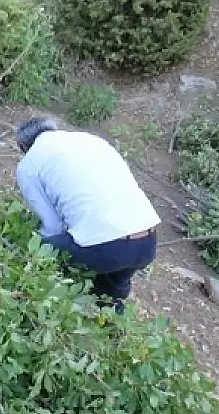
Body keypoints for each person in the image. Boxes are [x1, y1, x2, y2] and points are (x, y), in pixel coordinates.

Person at [14, 116, 161, 314]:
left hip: (107, 248)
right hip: (147, 242)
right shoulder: (91, 140)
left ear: (24, 147)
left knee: (41, 248)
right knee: (109, 293)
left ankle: (47, 307)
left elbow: (52, 226)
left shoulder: (29, 165)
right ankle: (114, 323)